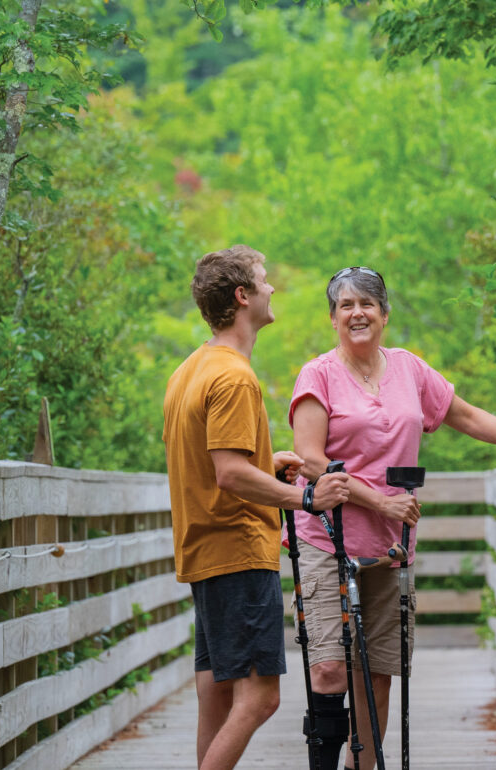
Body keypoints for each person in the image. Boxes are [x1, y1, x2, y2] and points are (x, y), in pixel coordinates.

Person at [289, 265, 496, 770]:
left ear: (384, 314)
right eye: (346, 306)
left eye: (367, 304)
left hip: (390, 546)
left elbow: (464, 415)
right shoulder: (318, 374)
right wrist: (380, 501)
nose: (357, 313)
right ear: (333, 318)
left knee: (377, 674)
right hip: (328, 540)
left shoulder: (409, 370)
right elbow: (311, 460)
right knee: (330, 669)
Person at [162, 245, 353, 770]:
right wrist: (306, 497)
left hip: (203, 551)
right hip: (239, 552)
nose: (272, 288)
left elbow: (209, 465)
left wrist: (266, 464)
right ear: (243, 295)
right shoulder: (234, 376)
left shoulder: (191, 369)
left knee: (217, 695)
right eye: (264, 280)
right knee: (260, 698)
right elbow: (229, 473)